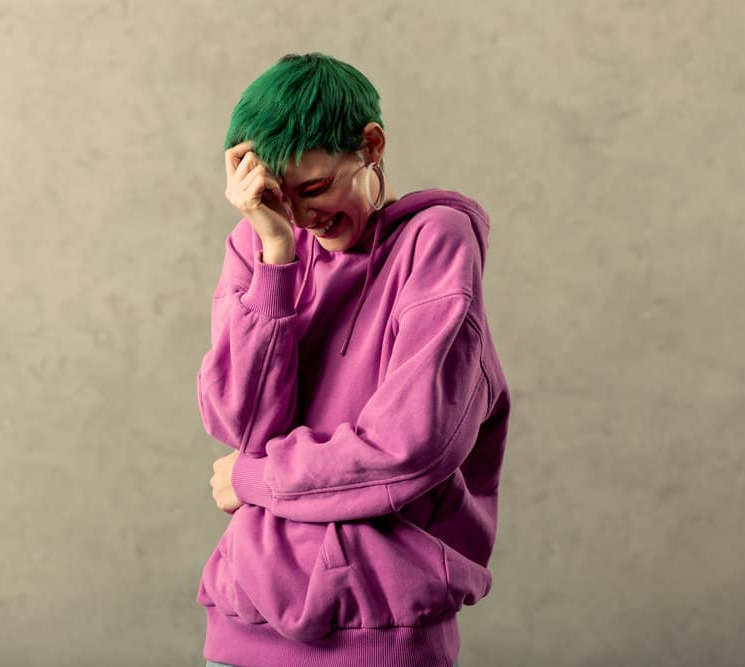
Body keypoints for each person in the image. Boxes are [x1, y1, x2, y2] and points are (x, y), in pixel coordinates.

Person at [196, 52, 510, 667]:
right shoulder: (263, 245)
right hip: (243, 627)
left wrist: (252, 478)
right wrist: (276, 258)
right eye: (281, 199)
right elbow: (243, 426)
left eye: (314, 188)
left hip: (381, 636)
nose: (304, 217)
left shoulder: (436, 240)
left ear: (371, 146)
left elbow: (407, 448)